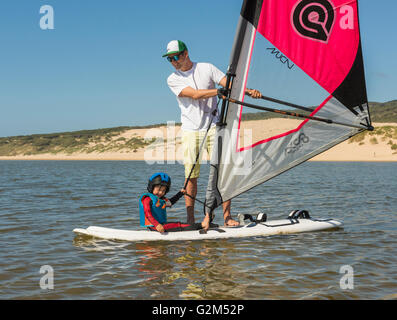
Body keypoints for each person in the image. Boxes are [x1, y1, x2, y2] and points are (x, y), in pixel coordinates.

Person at [163, 40, 262, 230]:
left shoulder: (206, 68)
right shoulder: (172, 79)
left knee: (223, 172)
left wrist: (249, 91)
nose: (173, 61)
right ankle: (191, 220)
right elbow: (194, 94)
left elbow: (230, 84)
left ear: (185, 53)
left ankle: (227, 217)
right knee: (191, 177)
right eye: (169, 59)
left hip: (215, 126)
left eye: (176, 57)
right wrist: (218, 91)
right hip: (191, 130)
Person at [139, 172, 208, 233]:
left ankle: (208, 225)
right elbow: (147, 213)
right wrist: (157, 225)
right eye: (159, 189)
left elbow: (171, 202)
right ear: (152, 187)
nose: (160, 192)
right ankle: (202, 225)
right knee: (178, 225)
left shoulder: (161, 200)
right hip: (155, 227)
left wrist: (180, 194)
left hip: (161, 225)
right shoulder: (147, 199)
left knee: (177, 224)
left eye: (163, 191)